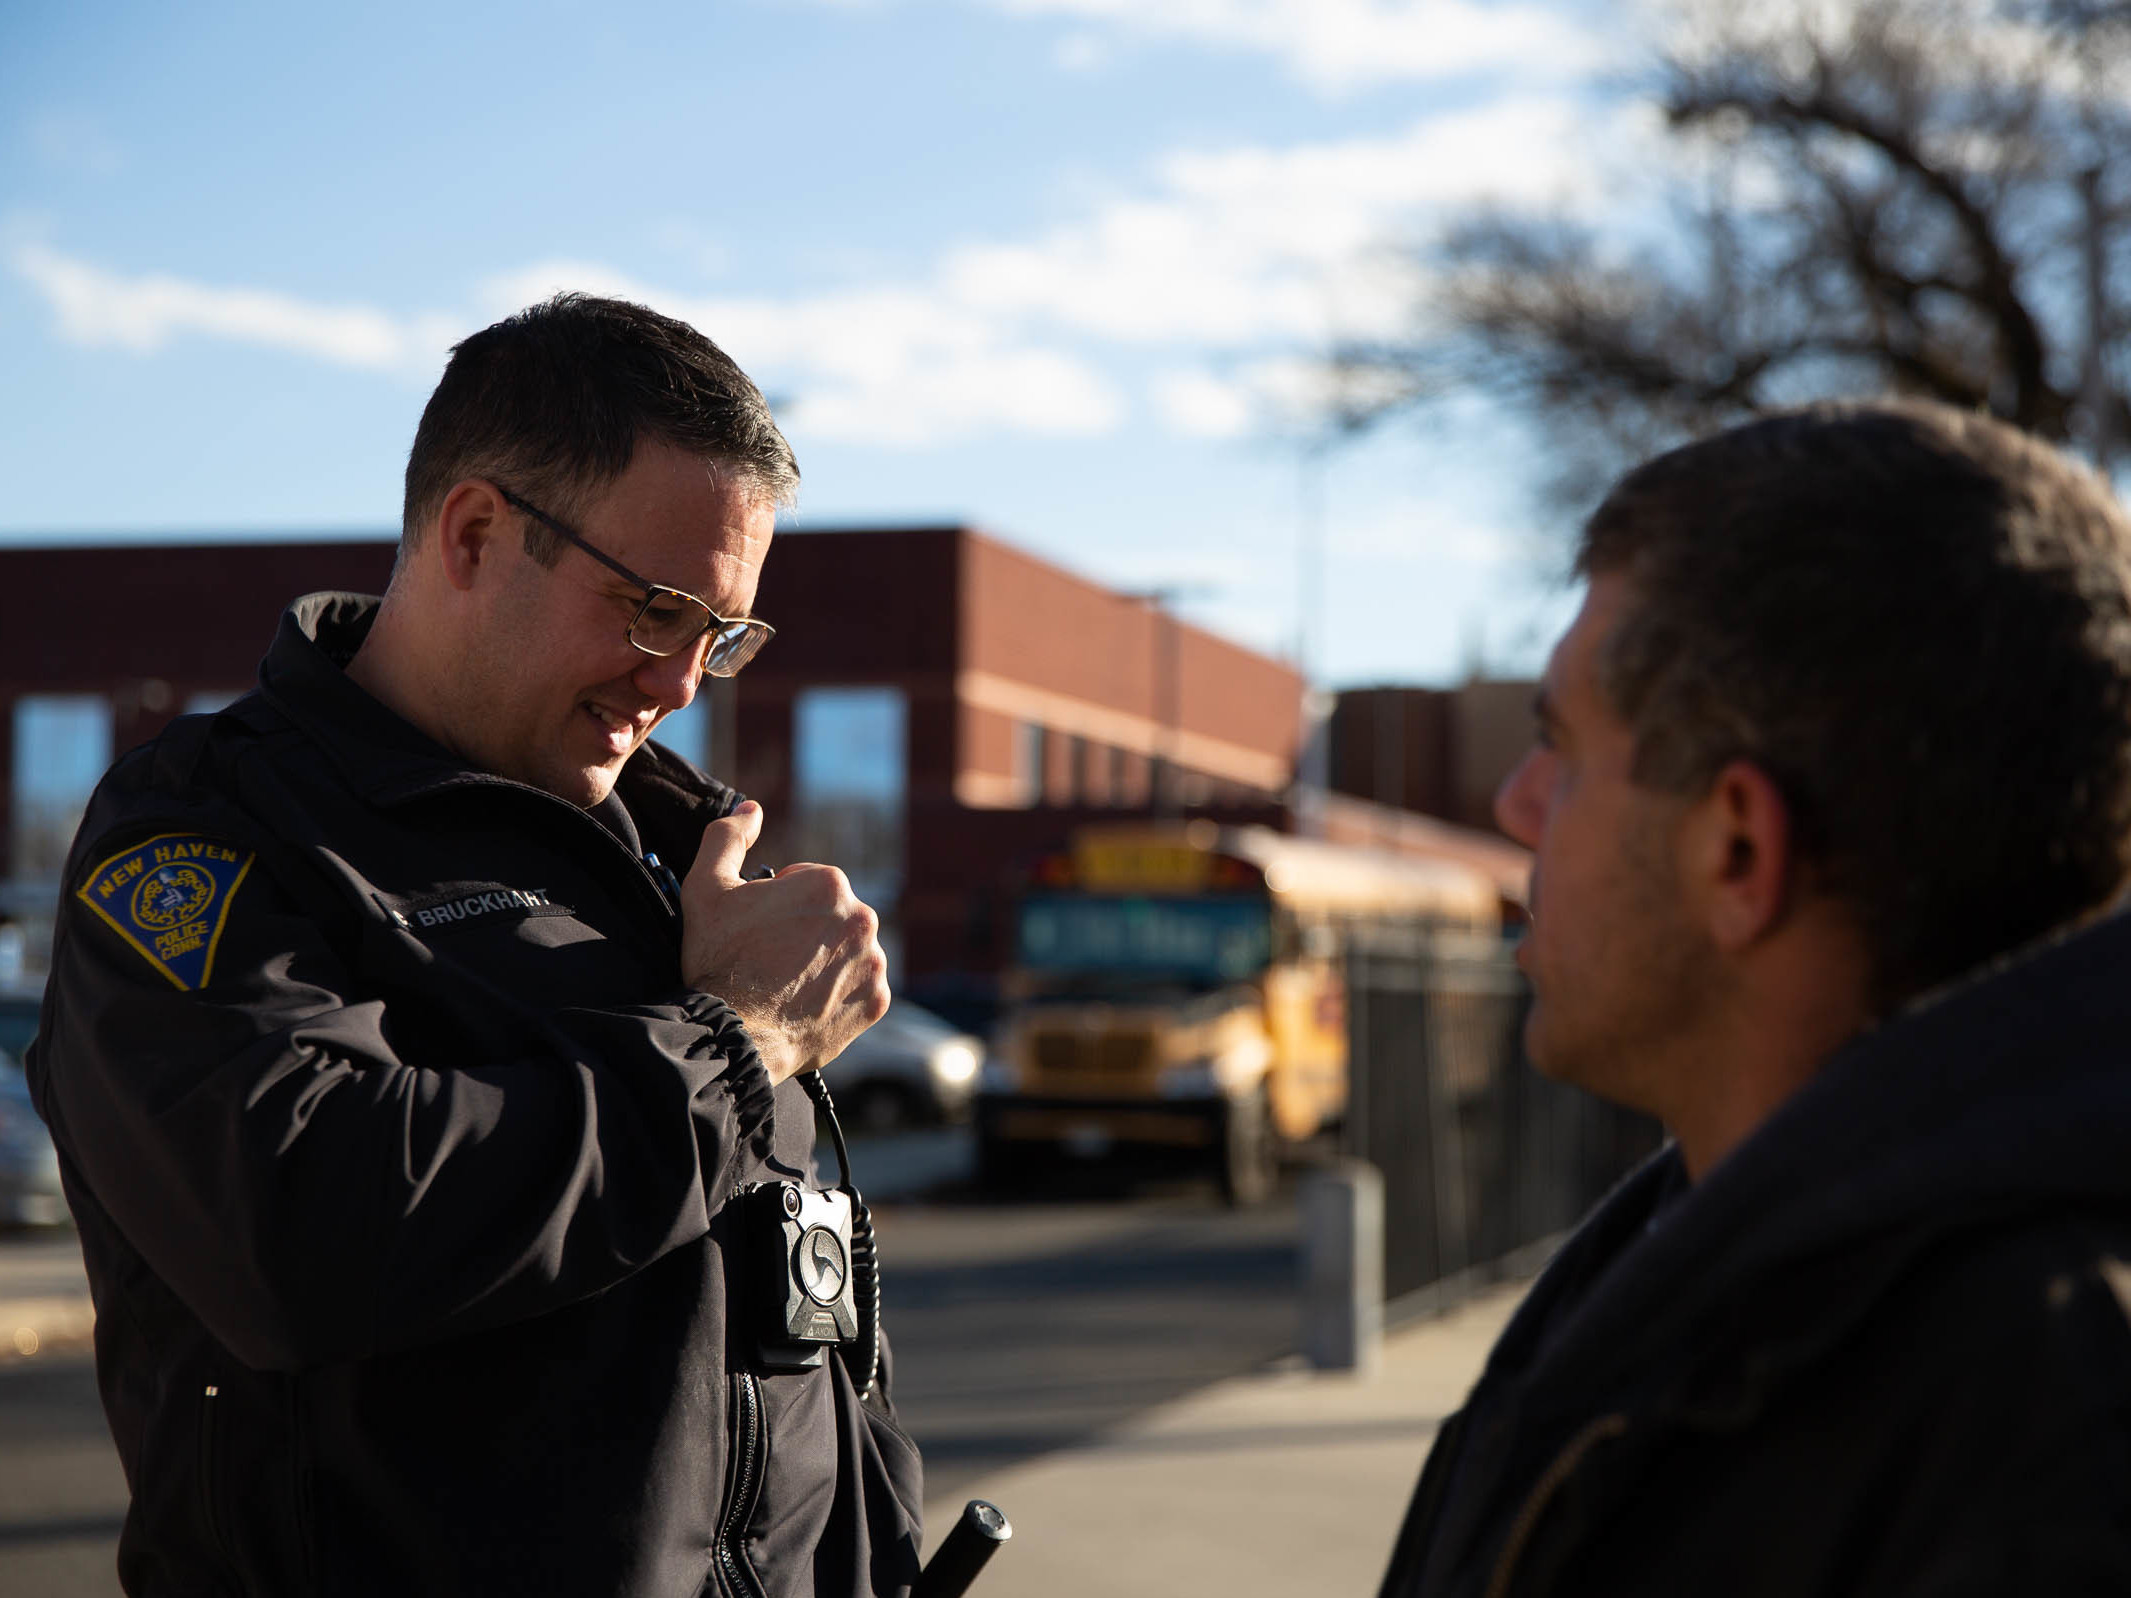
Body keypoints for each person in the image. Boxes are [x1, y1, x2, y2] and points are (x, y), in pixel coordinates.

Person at [27, 294, 923, 1596]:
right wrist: (738, 1049)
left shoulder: (675, 858)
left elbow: (795, 1338)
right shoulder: (212, 829)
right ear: (475, 532)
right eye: (654, 608)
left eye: (717, 634)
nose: (679, 683)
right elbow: (295, 1227)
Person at [1379, 400, 2131, 1595]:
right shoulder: (1694, 1254)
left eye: (1562, 747)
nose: (1516, 804)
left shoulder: (2040, 1446)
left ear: (1736, 849)